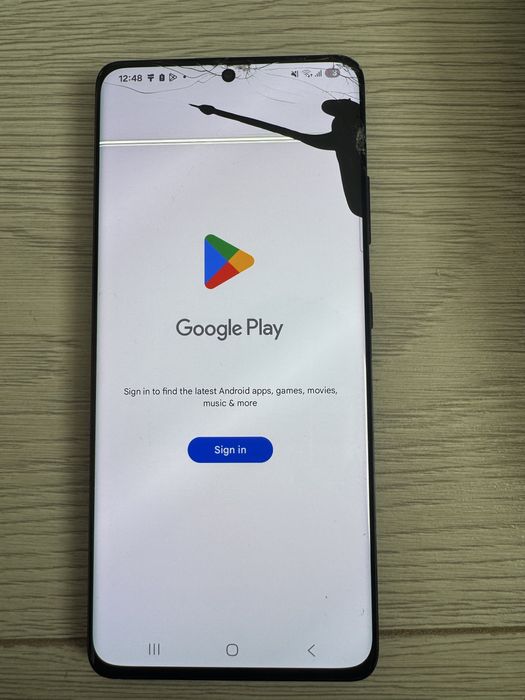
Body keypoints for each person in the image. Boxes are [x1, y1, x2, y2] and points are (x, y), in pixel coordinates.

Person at [190, 99, 365, 217]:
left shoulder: (346, 123)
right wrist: (215, 111)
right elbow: (300, 136)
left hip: (356, 172)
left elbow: (300, 136)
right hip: (355, 174)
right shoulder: (341, 126)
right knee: (357, 206)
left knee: (357, 206)